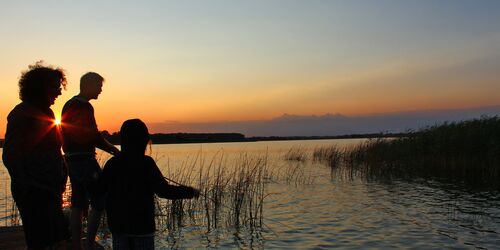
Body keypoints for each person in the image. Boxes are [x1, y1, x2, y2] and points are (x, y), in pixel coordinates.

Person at [100, 119, 199, 250]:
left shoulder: (112, 164)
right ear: (143, 140)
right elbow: (164, 191)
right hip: (142, 229)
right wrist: (190, 192)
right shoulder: (147, 163)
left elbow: (99, 190)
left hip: (118, 228)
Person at [2, 62, 68, 249]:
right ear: (40, 88)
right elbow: (11, 155)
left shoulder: (46, 112)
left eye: (59, 87)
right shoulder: (21, 114)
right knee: (40, 242)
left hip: (51, 191)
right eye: (55, 87)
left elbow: (54, 149)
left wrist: (62, 171)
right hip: (36, 193)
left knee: (56, 240)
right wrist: (29, 187)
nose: (59, 92)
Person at [60, 72, 120, 250]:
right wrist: (113, 149)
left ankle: (78, 245)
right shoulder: (84, 106)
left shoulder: (69, 104)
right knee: (100, 198)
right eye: (99, 86)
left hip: (71, 159)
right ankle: (89, 244)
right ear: (88, 86)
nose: (101, 90)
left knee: (78, 201)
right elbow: (93, 135)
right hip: (84, 160)